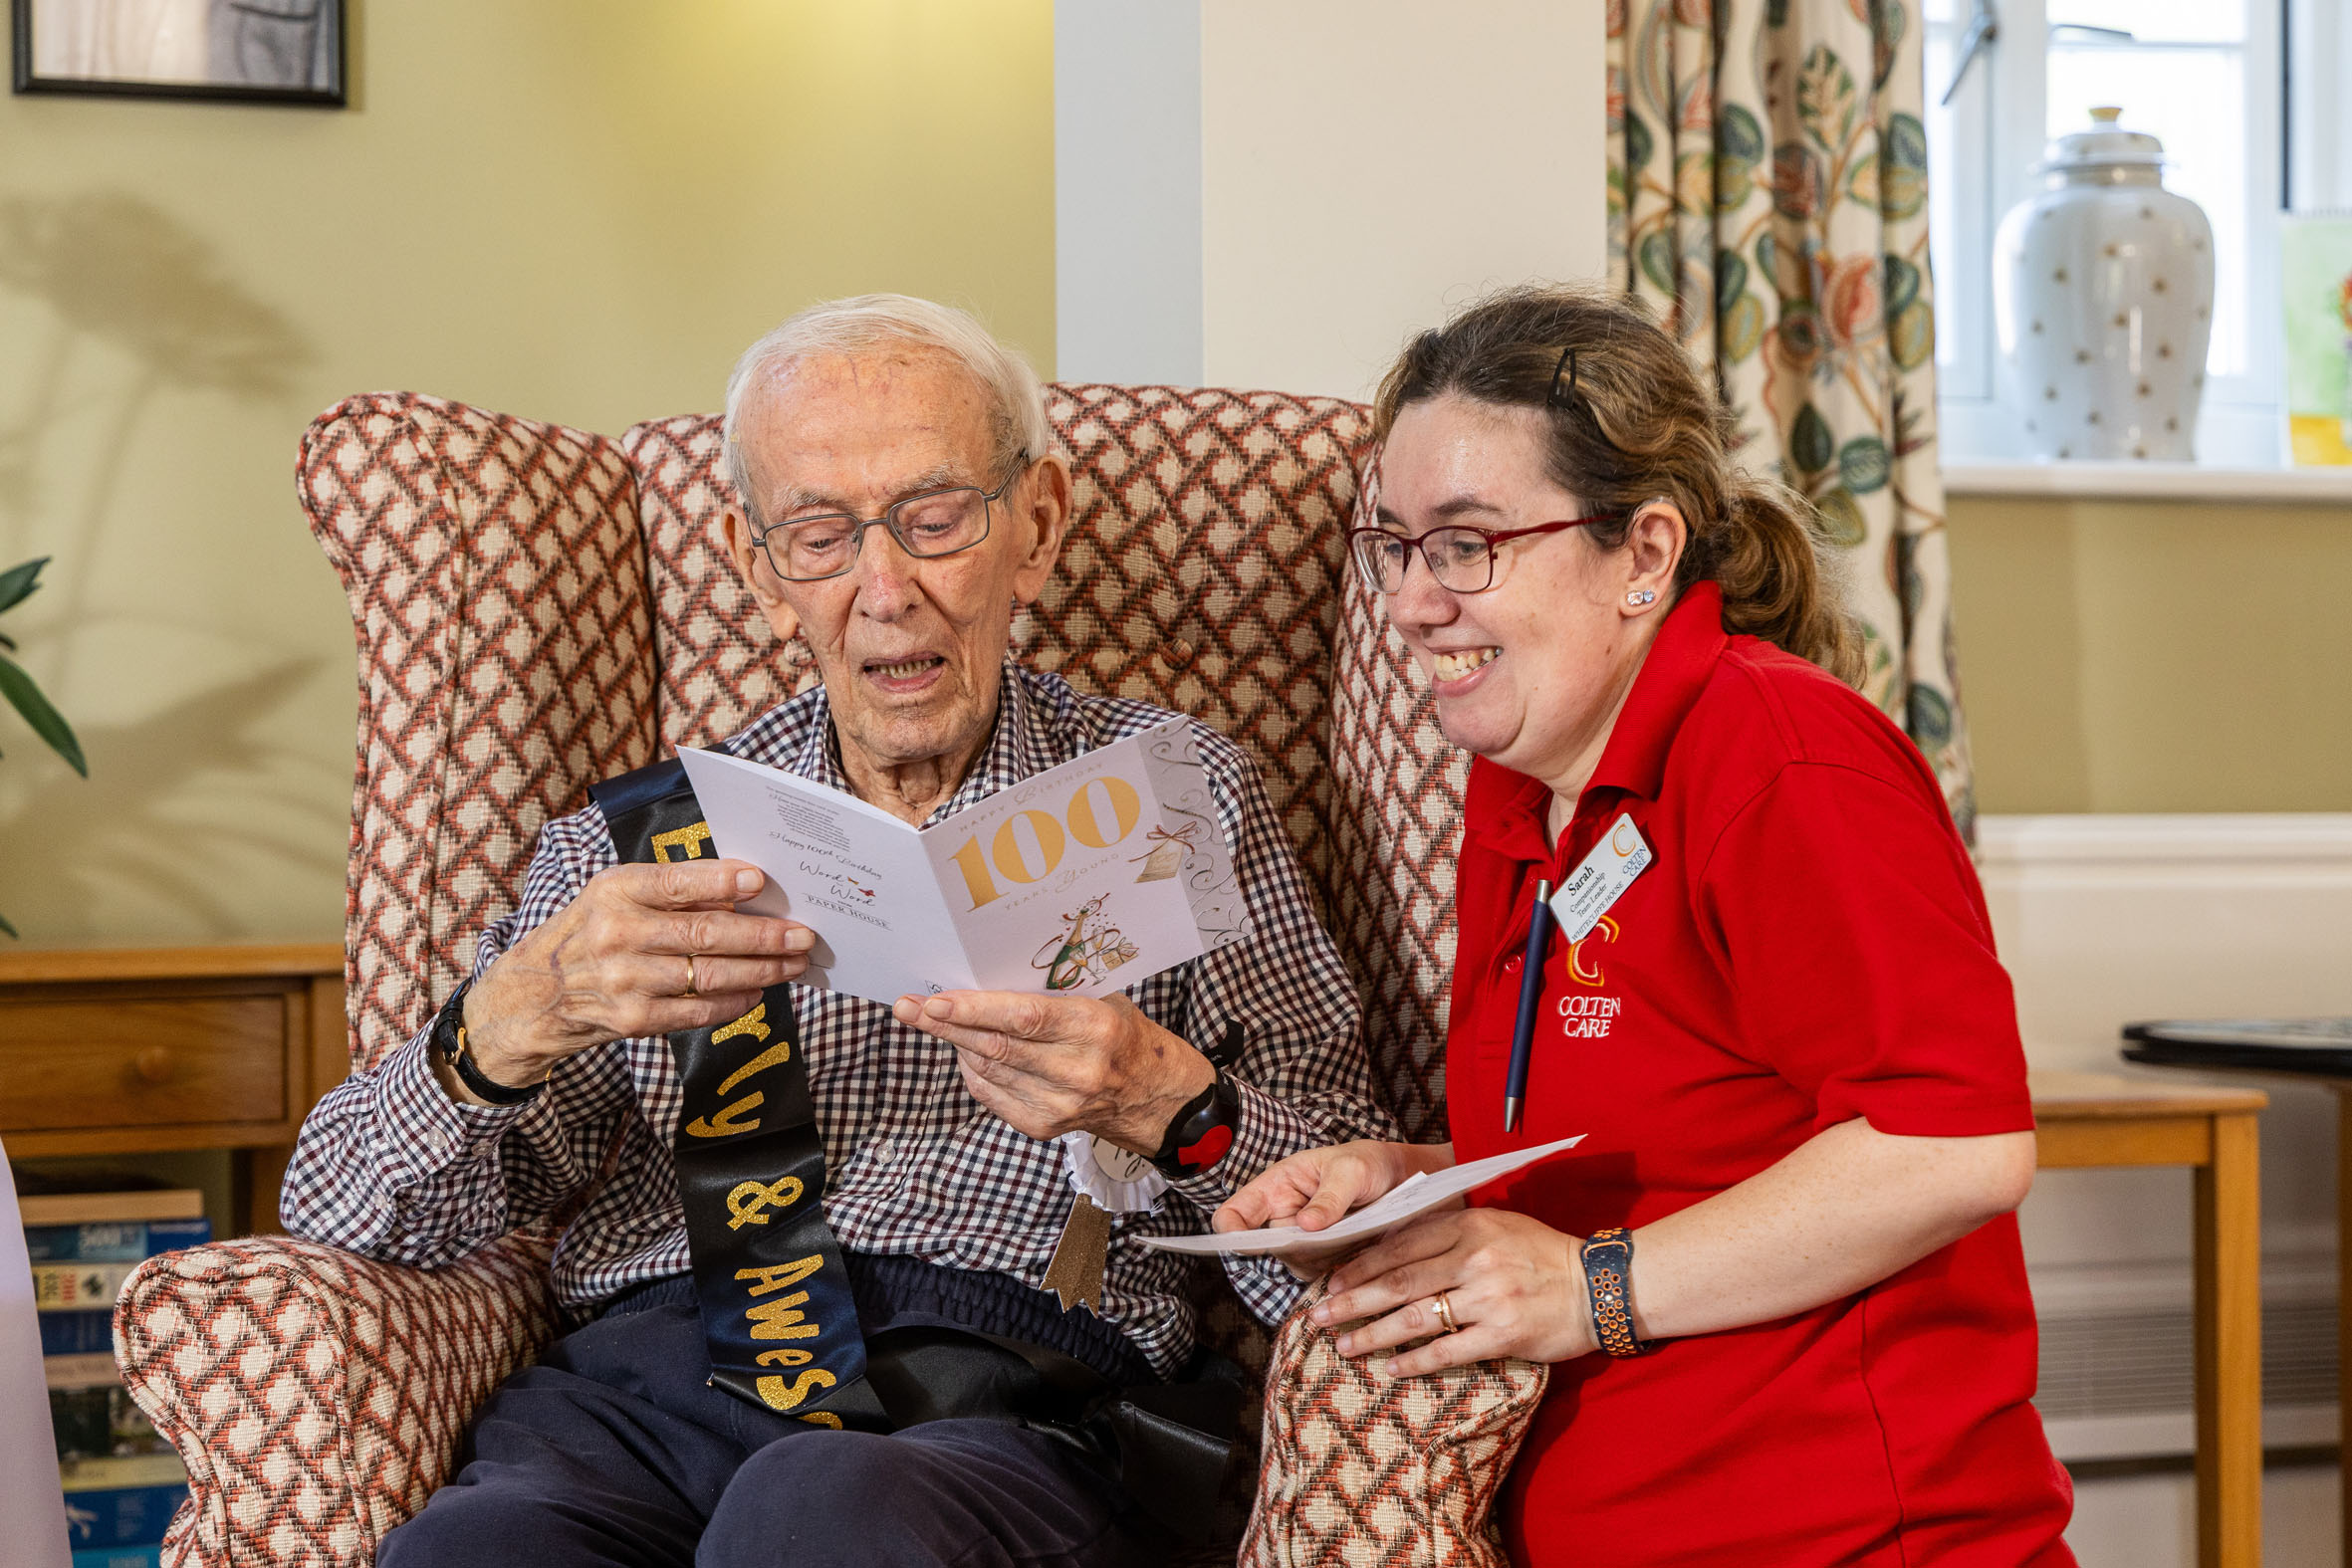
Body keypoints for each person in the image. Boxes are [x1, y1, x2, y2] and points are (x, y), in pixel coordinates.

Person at [280, 294, 1392, 1567]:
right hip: (651, 1389)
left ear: (1035, 528)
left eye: (934, 520)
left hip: (994, 1398)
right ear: (760, 574)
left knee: (817, 1509)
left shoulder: (1172, 799)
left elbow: (1341, 1238)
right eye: (818, 534)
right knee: (473, 1553)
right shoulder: (642, 843)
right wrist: (508, 1020)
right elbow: (349, 1223)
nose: (884, 589)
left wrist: (1171, 1104)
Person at [1215, 285, 2075, 1565]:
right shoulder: (1525, 790)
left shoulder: (1778, 758)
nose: (1409, 601)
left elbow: (1950, 1147)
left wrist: (1585, 1291)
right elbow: (1667, 1136)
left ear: (1646, 553)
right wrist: (1401, 1182)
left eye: (1467, 544)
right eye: (1394, 544)